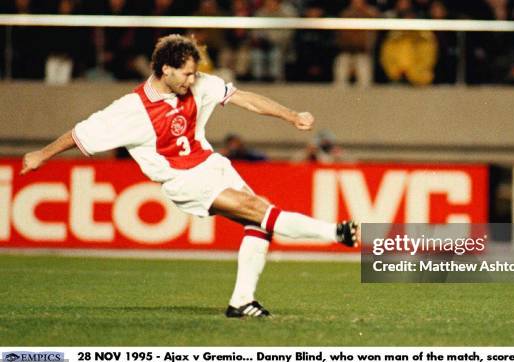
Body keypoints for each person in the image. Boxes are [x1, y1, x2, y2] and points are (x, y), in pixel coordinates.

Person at [20, 34, 359, 318]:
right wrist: (41, 154)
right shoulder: (130, 109)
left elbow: (244, 99)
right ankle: (336, 232)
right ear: (165, 69)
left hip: (212, 164)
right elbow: (79, 134)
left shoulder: (198, 85)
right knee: (258, 210)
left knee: (258, 220)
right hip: (183, 180)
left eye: (195, 74)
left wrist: (291, 115)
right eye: (186, 74)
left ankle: (241, 301)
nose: (192, 80)